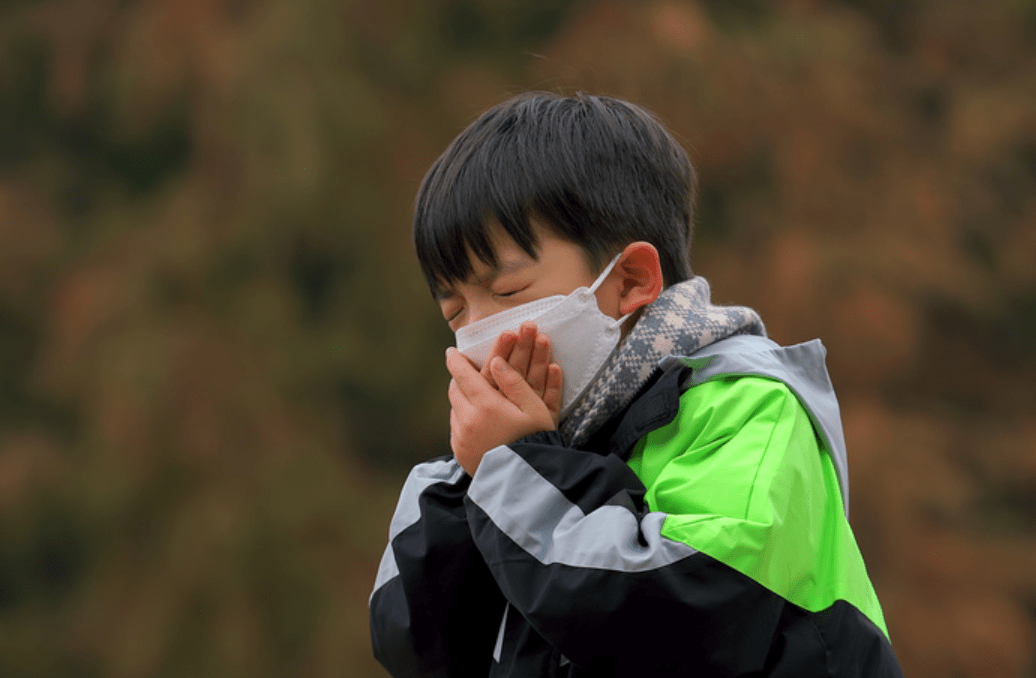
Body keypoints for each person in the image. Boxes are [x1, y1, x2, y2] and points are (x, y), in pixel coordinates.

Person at [369, 91, 903, 677]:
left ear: (629, 280)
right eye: (454, 315)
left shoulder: (749, 407)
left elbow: (678, 613)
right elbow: (412, 640)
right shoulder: (518, 455)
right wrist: (476, 475)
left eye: (505, 295)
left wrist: (514, 470)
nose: (477, 337)